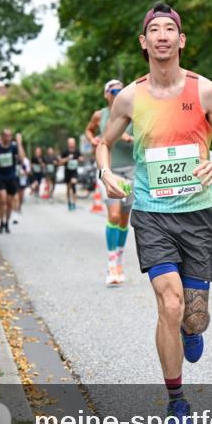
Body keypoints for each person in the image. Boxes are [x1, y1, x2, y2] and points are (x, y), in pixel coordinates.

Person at [96, 2, 212, 424]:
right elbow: (104, 143)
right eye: (154, 30)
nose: (162, 36)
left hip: (197, 214)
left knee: (193, 316)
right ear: (144, 42)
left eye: (169, 29)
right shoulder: (130, 97)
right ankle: (177, 401)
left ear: (181, 40)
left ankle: (192, 329)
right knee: (170, 304)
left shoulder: (205, 91)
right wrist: (106, 172)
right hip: (152, 213)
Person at [86, 78, 135, 285]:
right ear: (106, 94)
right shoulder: (100, 115)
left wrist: (129, 138)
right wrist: (93, 140)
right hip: (109, 170)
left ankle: (120, 260)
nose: (118, 94)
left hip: (131, 170)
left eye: (121, 91)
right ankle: (112, 264)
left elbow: (146, 139)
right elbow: (89, 130)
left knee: (124, 219)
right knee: (113, 216)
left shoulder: (134, 113)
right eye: (114, 91)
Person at [0, 128, 26, 233]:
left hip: (11, 177)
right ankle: (1, 221)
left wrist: (19, 143)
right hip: (0, 177)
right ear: (2, 136)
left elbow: (22, 159)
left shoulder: (13, 147)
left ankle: (6, 223)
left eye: (10, 136)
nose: (8, 138)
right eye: (6, 135)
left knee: (10, 203)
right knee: (2, 199)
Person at [57, 138, 81, 211]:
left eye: (73, 143)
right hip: (67, 172)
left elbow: (81, 158)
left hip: (74, 171)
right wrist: (67, 158)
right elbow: (60, 162)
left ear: (75, 143)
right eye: (70, 143)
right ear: (68, 144)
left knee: (73, 184)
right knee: (68, 188)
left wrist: (80, 159)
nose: (72, 144)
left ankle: (74, 203)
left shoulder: (77, 151)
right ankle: (69, 202)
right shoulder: (65, 151)